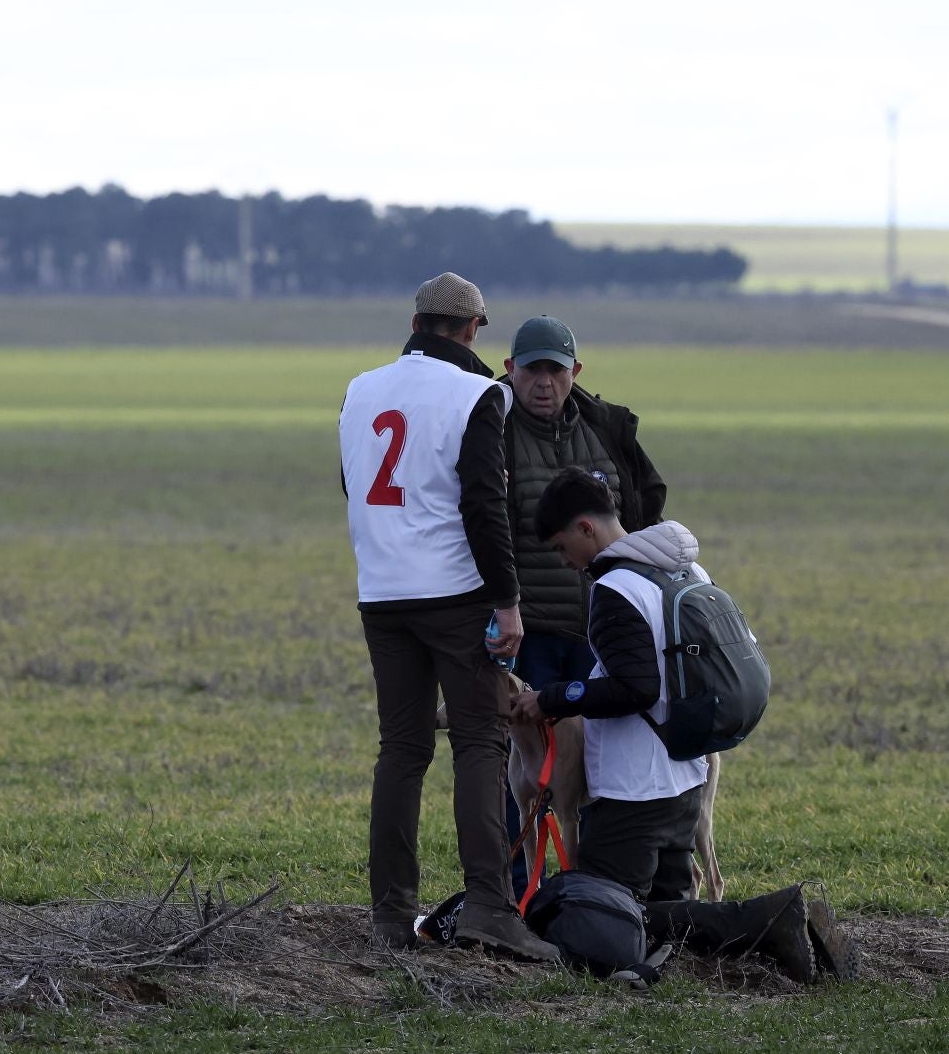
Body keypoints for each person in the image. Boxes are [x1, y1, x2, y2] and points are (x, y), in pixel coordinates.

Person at [510, 468, 853, 982]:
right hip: (685, 779)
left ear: (586, 529)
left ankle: (773, 917)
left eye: (562, 548)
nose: (565, 562)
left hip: (633, 793)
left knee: (596, 916)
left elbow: (635, 688)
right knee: (671, 920)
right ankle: (763, 932)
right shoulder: (686, 571)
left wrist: (553, 698)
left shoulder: (615, 589)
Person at [338, 272, 559, 963]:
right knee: (478, 745)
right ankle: (491, 907)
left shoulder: (359, 389)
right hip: (456, 596)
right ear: (471, 330)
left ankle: (388, 915)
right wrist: (507, 600)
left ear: (415, 320)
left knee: (400, 750)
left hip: (382, 593)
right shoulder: (477, 394)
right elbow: (484, 506)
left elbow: (352, 485)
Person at [498, 314, 666, 891]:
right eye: (532, 370)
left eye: (556, 370)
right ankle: (523, 895)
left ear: (576, 372)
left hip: (604, 631)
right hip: (530, 635)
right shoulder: (489, 431)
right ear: (509, 370)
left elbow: (646, 509)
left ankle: (596, 892)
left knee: (606, 769)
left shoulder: (609, 428)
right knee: (526, 779)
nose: (544, 382)